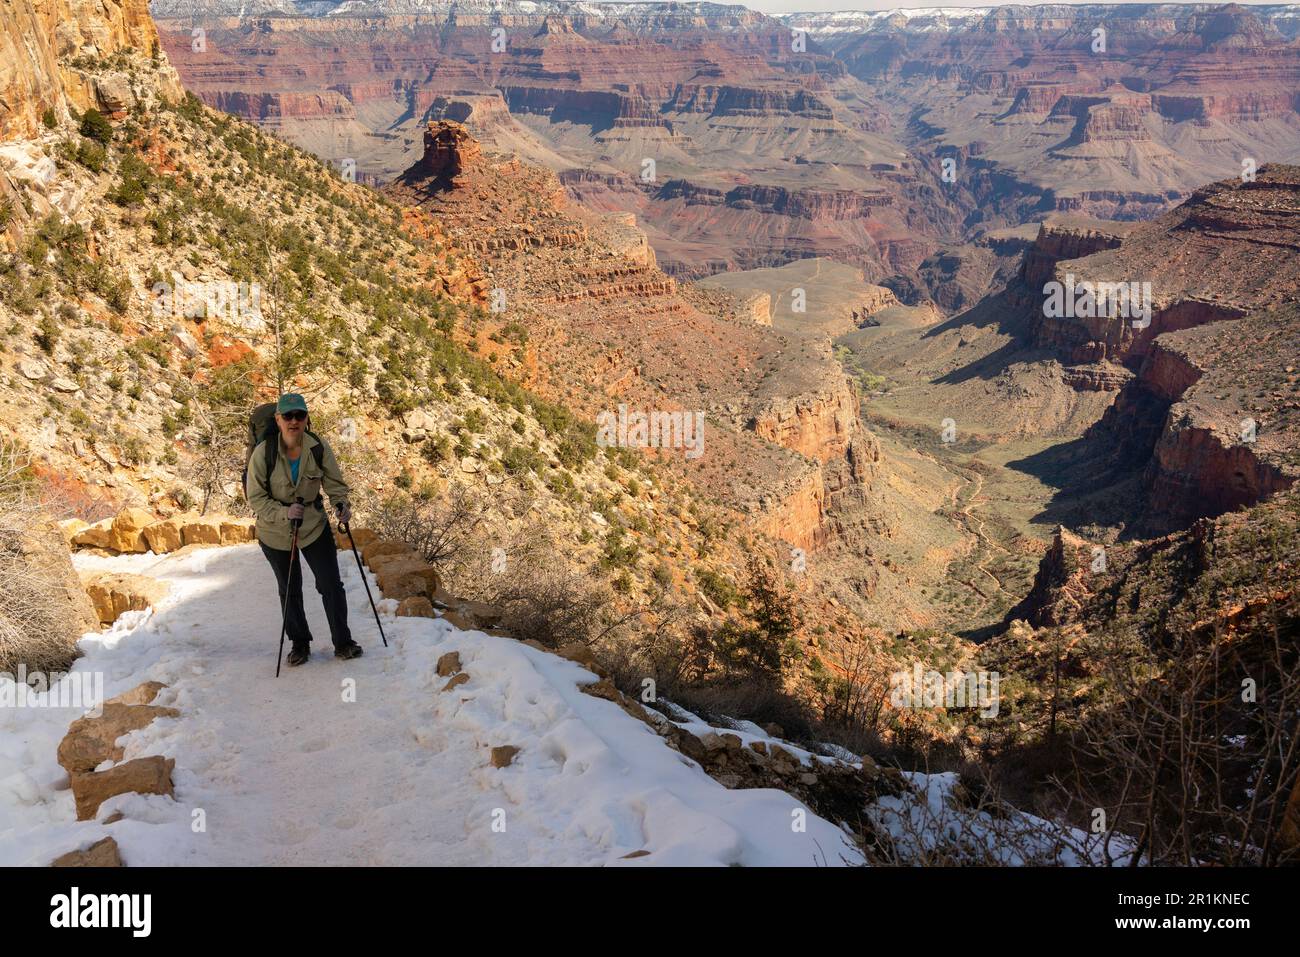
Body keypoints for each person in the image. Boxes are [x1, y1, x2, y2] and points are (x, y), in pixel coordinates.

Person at [246, 393, 363, 666]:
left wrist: (341, 504)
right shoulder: (265, 453)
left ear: (307, 418)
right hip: (275, 532)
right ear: (278, 420)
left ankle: (343, 642)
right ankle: (299, 644)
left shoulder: (318, 446)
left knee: (331, 585)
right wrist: (283, 512)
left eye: (299, 415)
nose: (294, 421)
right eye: (288, 416)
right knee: (290, 590)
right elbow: (256, 498)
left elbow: (335, 483)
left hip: (313, 525)